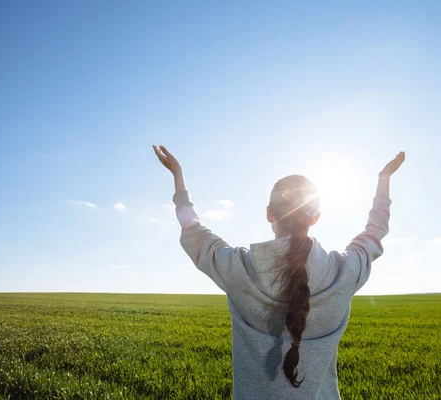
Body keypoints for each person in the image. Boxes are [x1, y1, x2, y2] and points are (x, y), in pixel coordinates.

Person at [153, 145, 405, 400]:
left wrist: (178, 177)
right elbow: (375, 231)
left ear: (269, 213)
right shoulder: (343, 272)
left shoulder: (238, 270)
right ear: (315, 218)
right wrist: (384, 180)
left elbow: (193, 230)